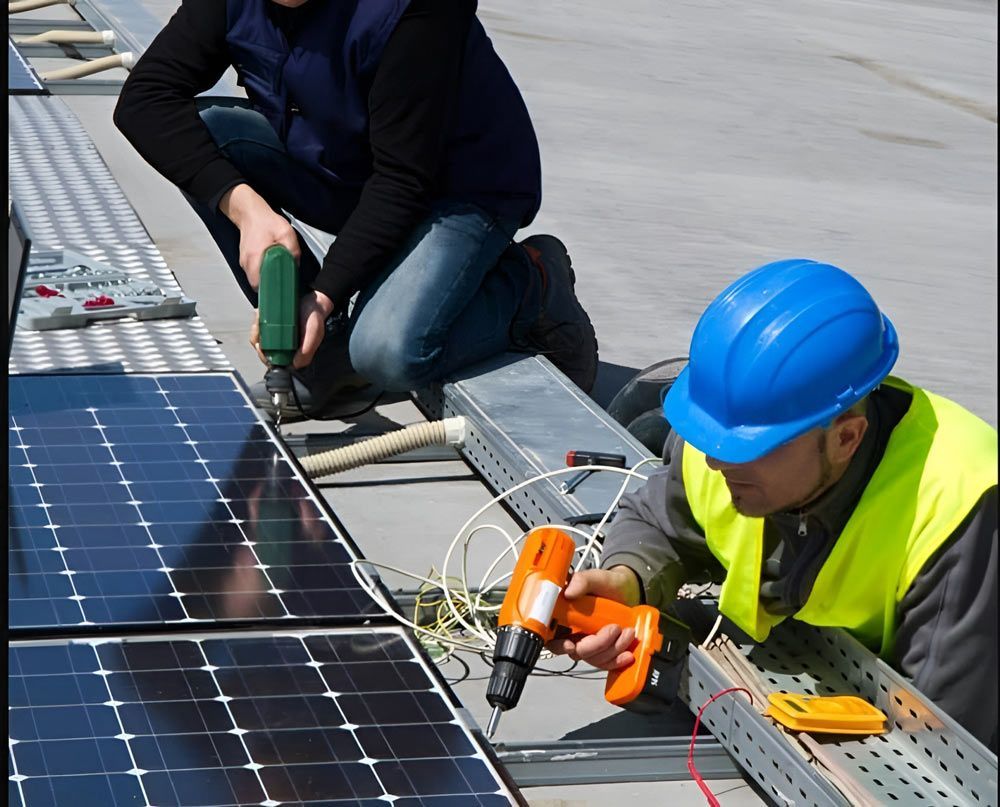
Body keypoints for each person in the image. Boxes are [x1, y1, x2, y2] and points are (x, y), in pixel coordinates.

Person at [555, 259, 998, 750]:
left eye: (745, 450)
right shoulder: (725, 432)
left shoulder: (960, 505)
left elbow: (942, 746)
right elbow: (658, 516)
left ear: (846, 438)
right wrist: (626, 579)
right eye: (710, 441)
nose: (717, 464)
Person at [113, 0, 598, 417]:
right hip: (347, 170)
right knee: (207, 136)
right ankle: (317, 348)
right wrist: (248, 212)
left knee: (386, 354)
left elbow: (404, 179)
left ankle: (533, 284)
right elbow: (143, 101)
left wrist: (324, 296)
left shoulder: (411, 10)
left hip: (456, 192)